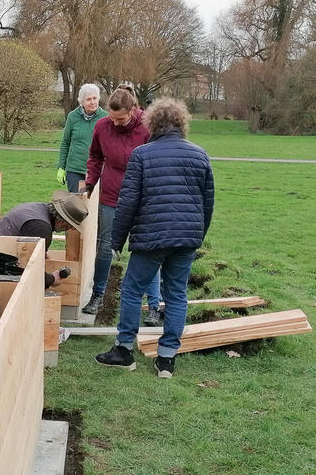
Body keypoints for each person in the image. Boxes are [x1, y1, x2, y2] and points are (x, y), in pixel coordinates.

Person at [94, 98, 214, 378]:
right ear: (181, 123)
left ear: (152, 124)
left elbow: (127, 202)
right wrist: (197, 236)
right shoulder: (200, 155)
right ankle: (167, 359)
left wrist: (117, 241)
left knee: (132, 290)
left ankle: (124, 350)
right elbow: (207, 204)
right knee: (177, 294)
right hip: (186, 238)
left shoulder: (142, 155)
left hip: (151, 237)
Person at [82, 87, 164, 323]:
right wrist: (90, 183)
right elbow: (95, 156)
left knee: (147, 248)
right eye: (112, 118)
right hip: (111, 195)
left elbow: (156, 161)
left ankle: (154, 305)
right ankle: (97, 295)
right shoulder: (102, 127)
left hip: (141, 196)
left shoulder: (147, 128)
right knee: (105, 246)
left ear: (133, 111)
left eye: (121, 119)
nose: (115, 123)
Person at [0, 191, 88, 289]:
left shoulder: (36, 208)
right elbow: (30, 272)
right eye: (70, 225)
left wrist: (40, 254)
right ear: (62, 221)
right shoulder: (41, 228)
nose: (70, 229)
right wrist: (52, 279)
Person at [56, 84, 107, 192]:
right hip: (75, 170)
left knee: (95, 202)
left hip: (98, 170)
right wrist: (61, 167)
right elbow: (65, 143)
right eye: (88, 99)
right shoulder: (72, 116)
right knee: (76, 201)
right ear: (82, 101)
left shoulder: (106, 118)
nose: (92, 102)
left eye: (95, 98)